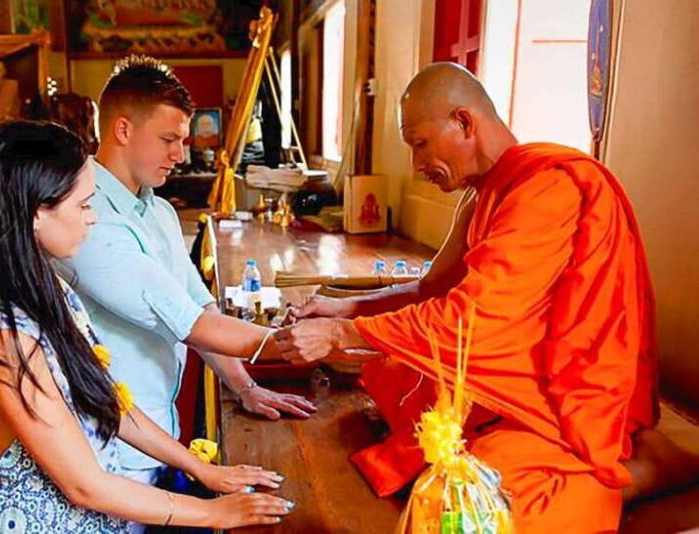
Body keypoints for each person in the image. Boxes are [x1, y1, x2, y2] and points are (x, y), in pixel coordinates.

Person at [275, 62, 690, 533]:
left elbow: (472, 318)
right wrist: (346, 307)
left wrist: (340, 333)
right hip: (508, 365)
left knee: (475, 505)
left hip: (562, 389)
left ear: (464, 122)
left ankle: (642, 472)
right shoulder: (483, 194)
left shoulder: (548, 189)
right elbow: (432, 288)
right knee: (396, 374)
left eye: (419, 144)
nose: (416, 165)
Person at [0, 120, 292, 534]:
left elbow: (104, 398)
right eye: (83, 204)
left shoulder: (39, 285)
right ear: (37, 213)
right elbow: (83, 485)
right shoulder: (2, 336)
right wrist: (214, 513)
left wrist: (198, 467)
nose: (91, 219)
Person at [55, 56, 315, 531]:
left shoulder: (159, 212)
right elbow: (189, 322)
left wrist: (244, 385)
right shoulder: (85, 216)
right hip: (108, 448)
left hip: (159, 431)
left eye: (183, 140)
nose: (179, 154)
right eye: (169, 140)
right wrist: (301, 340)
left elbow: (200, 304)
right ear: (123, 130)